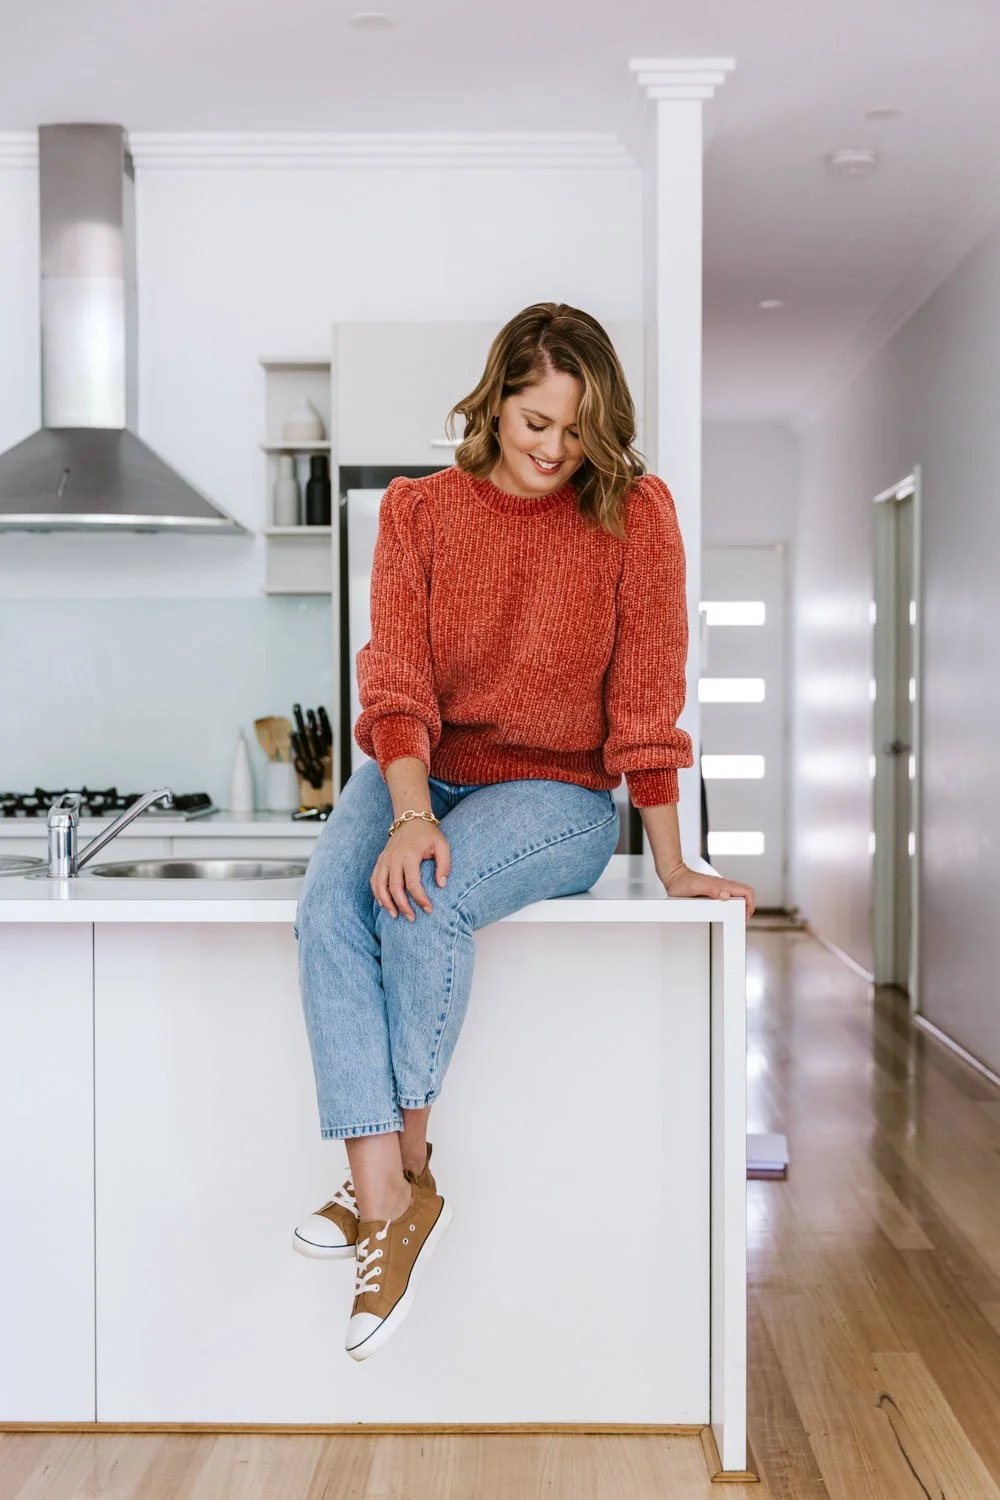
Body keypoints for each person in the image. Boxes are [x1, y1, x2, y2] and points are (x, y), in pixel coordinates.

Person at [293, 301, 756, 1363]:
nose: (553, 451)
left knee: (422, 898)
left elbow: (645, 694)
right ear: (494, 398)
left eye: (576, 430)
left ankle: (387, 1190)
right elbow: (395, 680)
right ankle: (391, 1201)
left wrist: (671, 856)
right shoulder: (418, 512)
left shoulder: (636, 516)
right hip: (426, 768)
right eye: (534, 421)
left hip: (556, 795)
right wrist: (409, 809)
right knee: (330, 904)